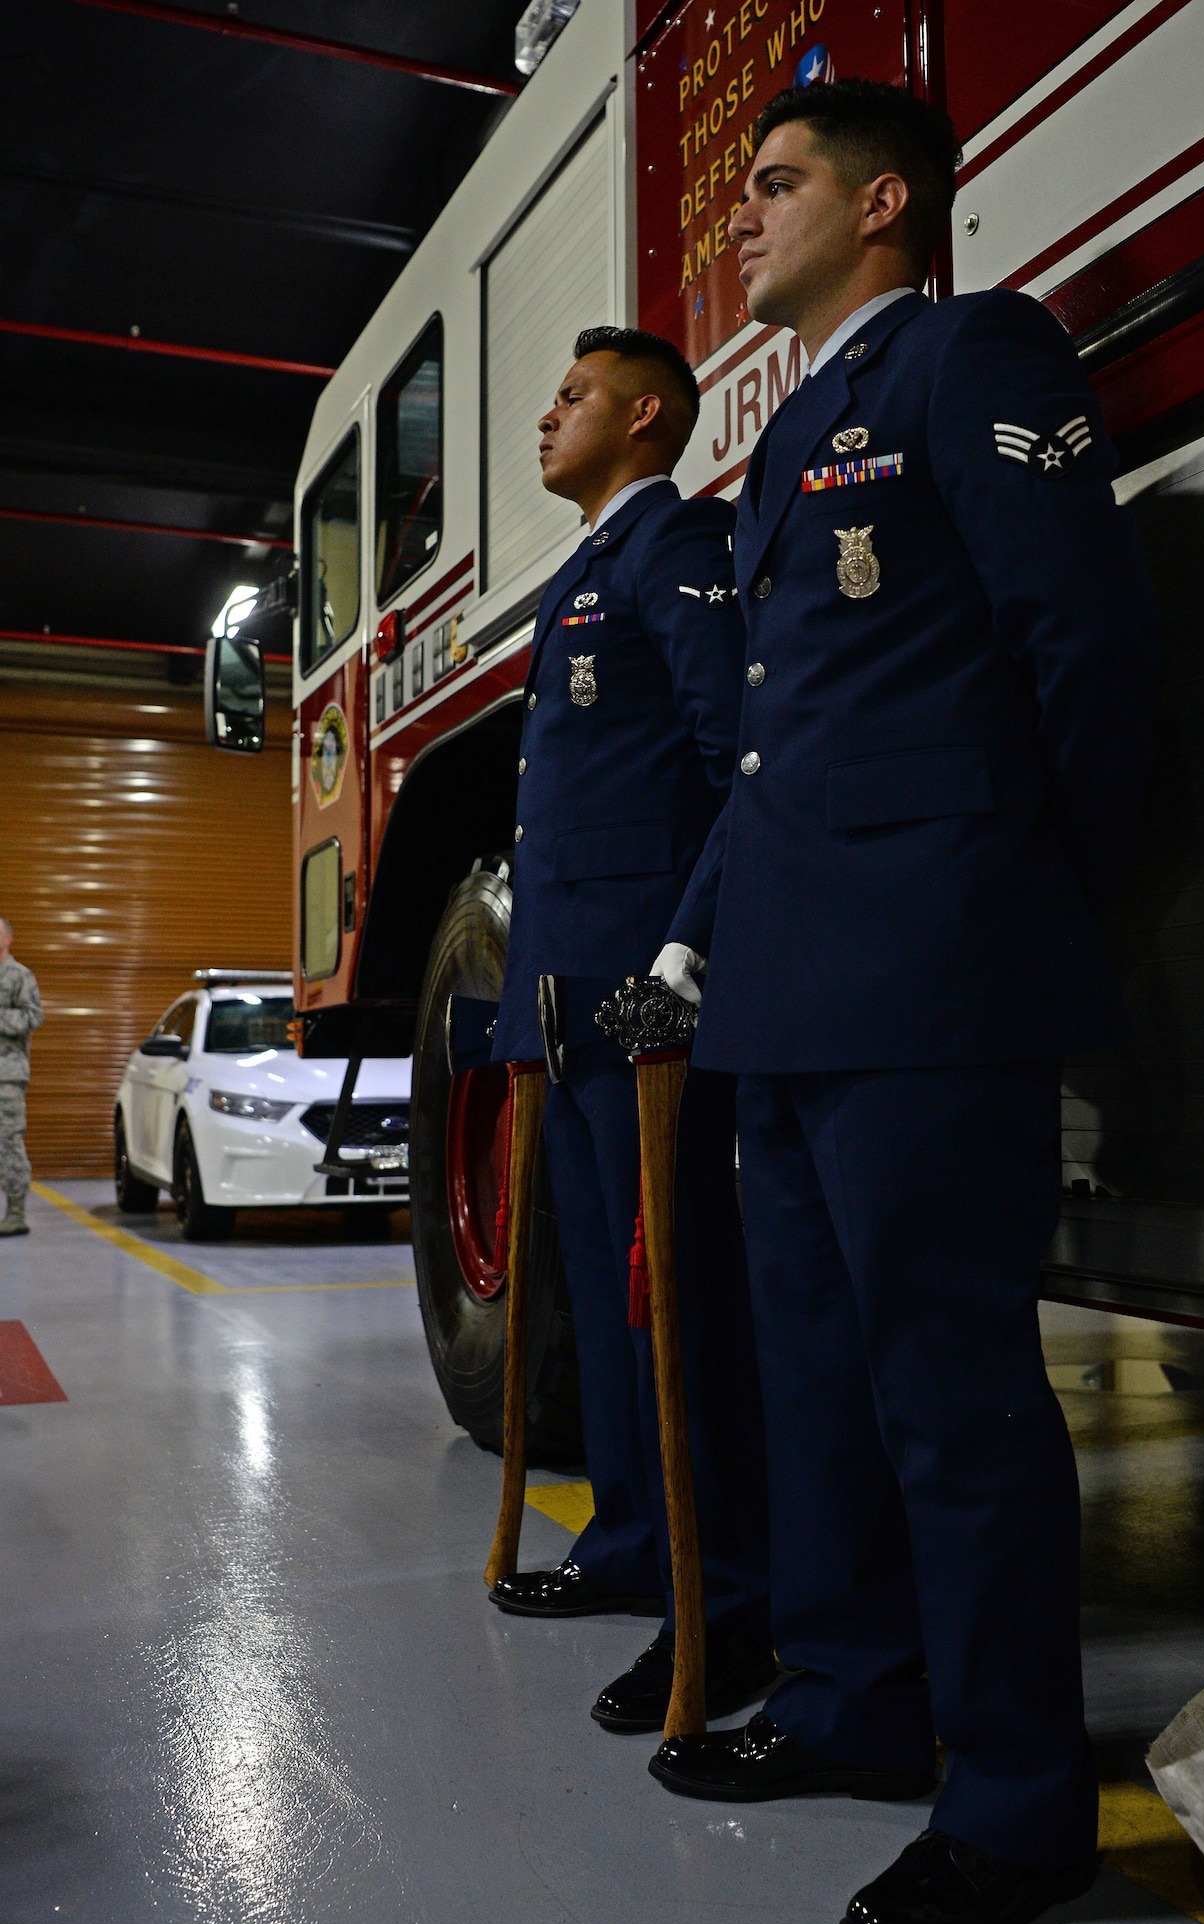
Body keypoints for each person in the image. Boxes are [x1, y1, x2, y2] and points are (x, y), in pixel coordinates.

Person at [648, 80, 1159, 1924]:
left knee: (953, 1407)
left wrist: (1012, 903)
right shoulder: (790, 441)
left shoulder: (968, 356)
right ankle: (862, 1707)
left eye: (776, 186)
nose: (745, 218)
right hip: (790, 985)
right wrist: (700, 952)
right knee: (819, 1386)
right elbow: (781, 740)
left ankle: (1020, 1804)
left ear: (883, 207)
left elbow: (1086, 652)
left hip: (932, 972)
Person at [487, 326, 773, 1733]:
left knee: (677, 1309)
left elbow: (737, 766)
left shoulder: (673, 551)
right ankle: (627, 1548)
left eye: (572, 396)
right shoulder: (586, 570)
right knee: (606, 1304)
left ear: (646, 415)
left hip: (642, 1008)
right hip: (565, 1004)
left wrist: (685, 961)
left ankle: (717, 1594)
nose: (548, 418)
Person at [0, 918, 43, 1239]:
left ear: (9, 938)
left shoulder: (19, 976)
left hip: (6, 1076)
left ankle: (16, 1214)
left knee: (8, 1142)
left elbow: (32, 1016)